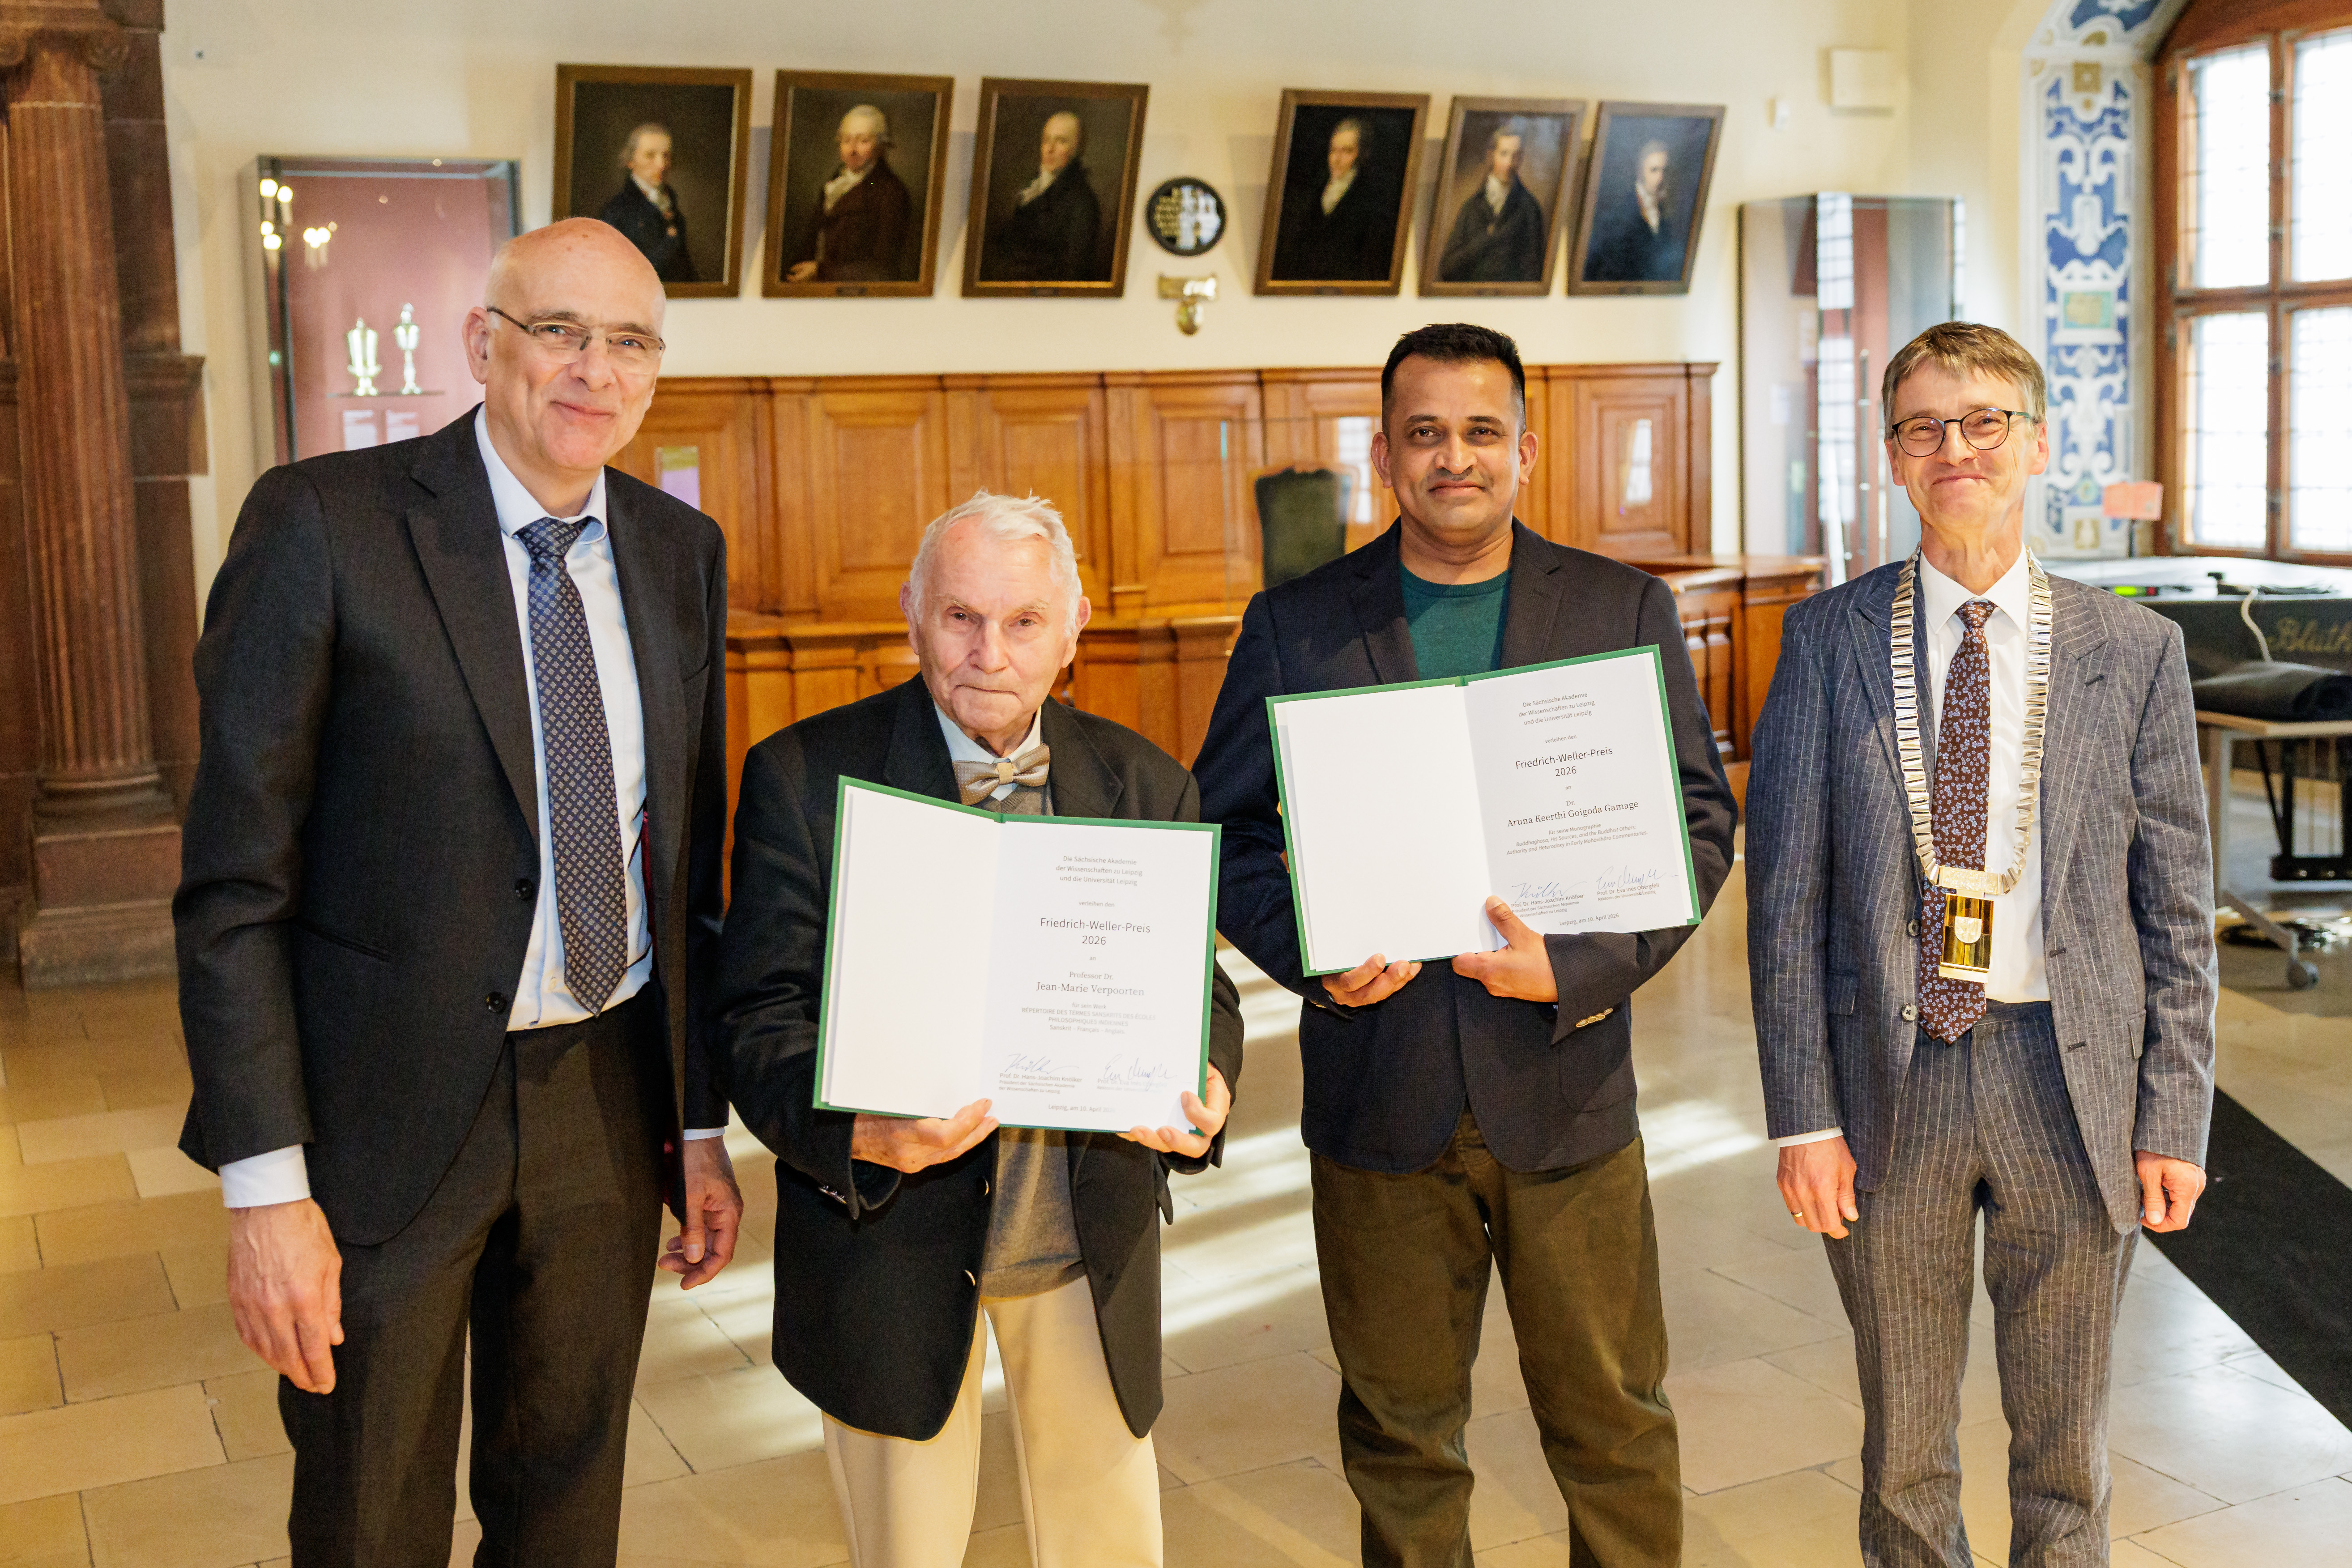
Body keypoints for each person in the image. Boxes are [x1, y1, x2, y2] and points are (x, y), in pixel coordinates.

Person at [175, 217, 743, 1565]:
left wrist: (700, 1119)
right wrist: (265, 1190)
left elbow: (685, 866)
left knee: (567, 1508)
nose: (592, 370)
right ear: (480, 343)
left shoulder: (679, 551)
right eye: (558, 331)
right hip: (384, 1121)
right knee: (374, 1511)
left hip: (606, 1098)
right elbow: (233, 886)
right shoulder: (327, 527)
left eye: (628, 342)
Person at [1193, 323, 1736, 1568]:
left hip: (1566, 1084)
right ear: (1385, 453)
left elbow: (1700, 821)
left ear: (1526, 451)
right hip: (1382, 1095)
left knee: (1613, 1422)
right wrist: (1313, 952)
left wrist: (1585, 968)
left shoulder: (1617, 608)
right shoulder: (1298, 625)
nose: (1454, 459)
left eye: (1481, 432)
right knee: (1401, 1435)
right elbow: (1224, 836)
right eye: (1425, 434)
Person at [1746, 321, 2215, 1568]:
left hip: (2071, 1082)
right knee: (1905, 1451)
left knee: (2068, 1448)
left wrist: (2175, 1113)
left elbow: (2176, 904)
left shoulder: (2133, 651)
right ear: (1894, 458)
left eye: (1985, 419)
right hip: (1888, 1084)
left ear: (2038, 444)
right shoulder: (1828, 641)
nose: (1955, 446)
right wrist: (1802, 1115)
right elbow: (1785, 896)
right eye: (1923, 425)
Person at [716, 490, 1247, 1567]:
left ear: (1072, 629)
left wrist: (1208, 1082)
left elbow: (1205, 992)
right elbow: (755, 1018)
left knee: (1108, 1544)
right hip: (887, 1239)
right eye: (959, 616)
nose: (987, 651)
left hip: (1082, 1233)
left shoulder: (1146, 781)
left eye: (1021, 621)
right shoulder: (801, 778)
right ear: (912, 613)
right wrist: (860, 1130)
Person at [784, 103, 914, 285]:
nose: (852, 150)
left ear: (881, 146)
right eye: (846, 140)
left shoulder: (890, 192)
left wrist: (820, 271)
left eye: (863, 141)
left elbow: (883, 270)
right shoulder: (834, 183)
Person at [981, 109, 1103, 282]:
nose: (1050, 149)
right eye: (1047, 140)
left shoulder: (1083, 203)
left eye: (1061, 141)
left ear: (1076, 148)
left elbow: (1073, 272)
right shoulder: (1031, 188)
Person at [1274, 116, 1394, 281]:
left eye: (1347, 151)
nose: (1337, 159)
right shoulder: (1316, 189)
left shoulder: (1371, 201)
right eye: (1333, 150)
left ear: (1362, 154)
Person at [1436, 124, 1546, 285]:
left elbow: (1535, 274)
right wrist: (1486, 238)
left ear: (1521, 158)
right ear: (1491, 156)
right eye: (1504, 154)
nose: (1509, 163)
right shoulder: (1471, 207)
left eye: (1515, 156)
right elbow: (1448, 269)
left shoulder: (1530, 208)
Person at [597, 121, 696, 284]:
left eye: (666, 156)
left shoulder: (671, 202)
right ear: (630, 161)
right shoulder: (617, 211)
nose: (661, 165)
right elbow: (624, 274)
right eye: (651, 155)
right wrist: (670, 241)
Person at [1582, 137, 1683, 284]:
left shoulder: (1665, 212)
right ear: (1640, 171)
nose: (1660, 178)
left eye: (1664, 171)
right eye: (1654, 170)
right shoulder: (1619, 212)